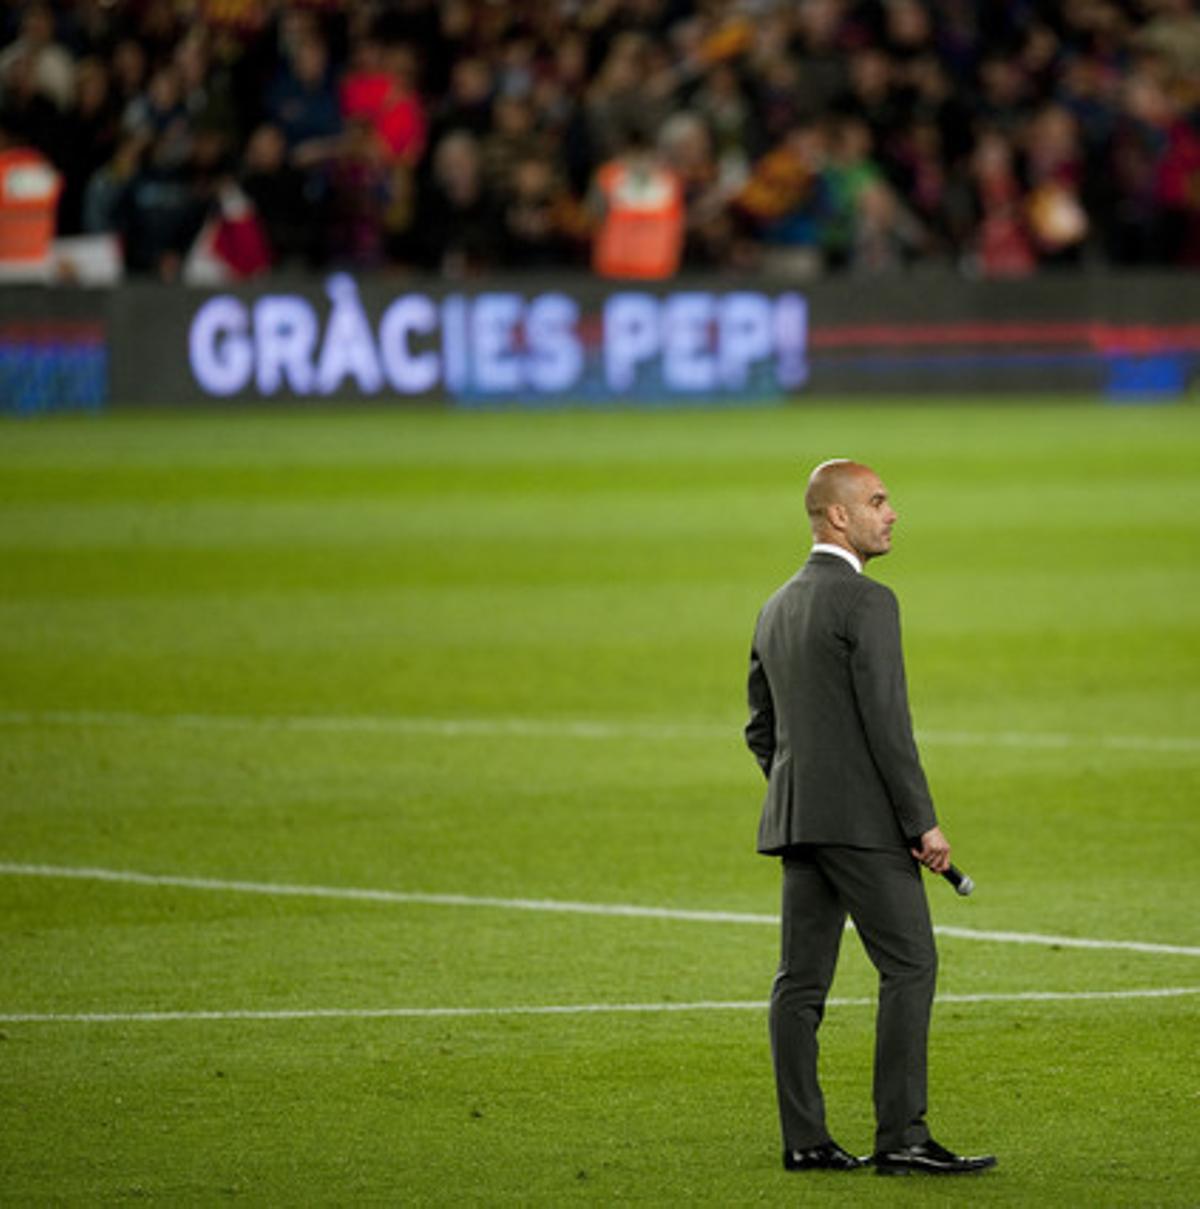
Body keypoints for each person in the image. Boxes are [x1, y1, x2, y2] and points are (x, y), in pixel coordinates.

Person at [743, 458, 997, 1177]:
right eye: (878, 501)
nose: (892, 513)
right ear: (837, 517)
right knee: (911, 963)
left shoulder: (775, 605)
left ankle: (806, 1140)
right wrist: (922, 822)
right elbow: (890, 725)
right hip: (861, 826)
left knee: (799, 982)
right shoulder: (868, 602)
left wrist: (805, 790)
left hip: (798, 821)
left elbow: (760, 730)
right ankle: (902, 1136)